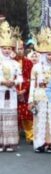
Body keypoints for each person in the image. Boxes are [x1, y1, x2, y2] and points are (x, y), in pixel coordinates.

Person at [28, 28, 51, 153]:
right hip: (39, 95)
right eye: (49, 54)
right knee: (39, 119)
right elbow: (32, 84)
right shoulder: (35, 67)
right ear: (43, 54)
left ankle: (50, 143)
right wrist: (30, 100)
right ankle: (39, 143)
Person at [0, 21, 23, 152]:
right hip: (1, 91)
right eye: (4, 48)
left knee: (10, 117)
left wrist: (14, 82)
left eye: (9, 48)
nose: (7, 50)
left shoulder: (15, 63)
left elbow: (20, 77)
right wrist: (3, 82)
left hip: (11, 92)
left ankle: (9, 144)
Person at [15, 39, 34, 144]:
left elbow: (31, 78)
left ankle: (30, 135)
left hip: (26, 92)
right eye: (17, 49)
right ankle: (14, 136)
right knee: (14, 114)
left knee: (27, 113)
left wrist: (24, 90)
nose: (19, 51)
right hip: (12, 91)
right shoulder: (10, 62)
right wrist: (16, 90)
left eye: (21, 48)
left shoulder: (28, 62)